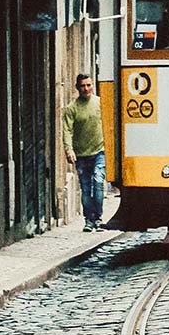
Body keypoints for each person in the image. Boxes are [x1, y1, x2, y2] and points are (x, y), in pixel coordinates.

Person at [60, 74, 106, 231]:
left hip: (100, 151)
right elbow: (67, 130)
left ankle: (98, 218)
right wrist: (68, 149)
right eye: (83, 86)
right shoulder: (72, 108)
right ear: (77, 87)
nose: (86, 89)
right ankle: (89, 220)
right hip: (81, 154)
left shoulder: (100, 103)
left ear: (93, 85)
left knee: (98, 183)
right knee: (86, 188)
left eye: (89, 85)